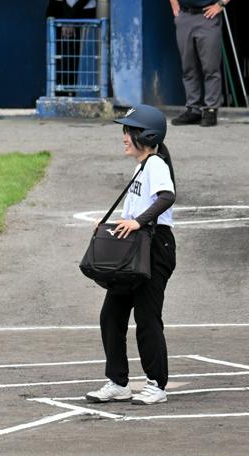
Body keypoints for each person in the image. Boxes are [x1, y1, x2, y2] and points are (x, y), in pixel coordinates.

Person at [86, 104, 177, 405]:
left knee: (147, 316)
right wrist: (110, 225)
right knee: (111, 314)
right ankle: (117, 382)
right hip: (136, 245)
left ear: (146, 135)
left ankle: (157, 385)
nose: (124, 136)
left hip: (155, 246)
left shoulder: (156, 164)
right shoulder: (140, 167)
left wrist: (139, 222)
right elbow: (133, 212)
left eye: (130, 130)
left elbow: (167, 196)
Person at [169, 0, 231, 127]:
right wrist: (174, 4)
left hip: (207, 16)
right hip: (185, 16)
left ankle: (211, 109)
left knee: (210, 67)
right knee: (188, 67)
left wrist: (221, 4)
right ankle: (193, 109)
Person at [46, 0, 97, 96]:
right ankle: (62, 92)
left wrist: (69, 19)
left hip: (81, 13)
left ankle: (69, 92)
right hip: (62, 12)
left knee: (74, 56)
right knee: (62, 56)